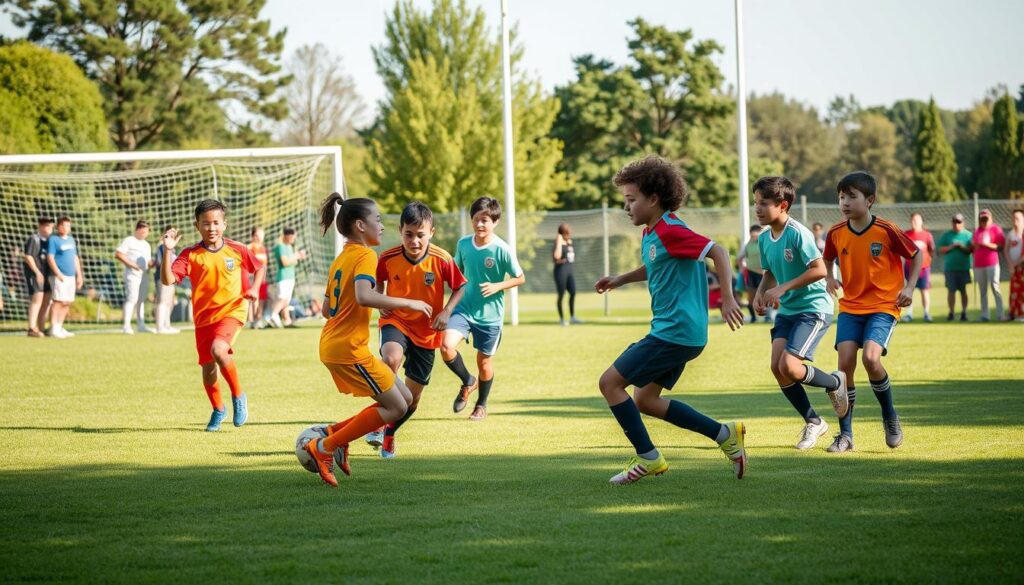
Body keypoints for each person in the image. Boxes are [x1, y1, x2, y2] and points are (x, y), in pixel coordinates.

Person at [593, 156, 747, 484]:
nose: (626, 207)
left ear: (653, 199)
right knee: (645, 400)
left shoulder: (672, 230)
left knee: (609, 384)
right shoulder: (652, 233)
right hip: (678, 333)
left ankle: (649, 458)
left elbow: (718, 251)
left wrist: (729, 298)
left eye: (631, 199)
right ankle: (724, 434)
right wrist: (620, 279)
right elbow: (657, 264)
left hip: (674, 332)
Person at [302, 193, 430, 488]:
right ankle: (323, 448)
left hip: (344, 345)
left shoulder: (343, 257)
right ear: (360, 225)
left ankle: (335, 435)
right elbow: (362, 295)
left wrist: (371, 302)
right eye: (378, 220)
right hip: (347, 349)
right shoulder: (365, 255)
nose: (382, 226)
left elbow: (326, 308)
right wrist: (404, 303)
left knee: (406, 399)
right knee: (396, 408)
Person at [823, 171, 922, 453]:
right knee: (844, 367)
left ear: (870, 200)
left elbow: (916, 255)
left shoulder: (886, 230)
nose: (844, 202)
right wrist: (830, 277)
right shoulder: (836, 233)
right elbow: (827, 257)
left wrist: (910, 287)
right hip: (851, 308)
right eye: (841, 197)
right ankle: (846, 435)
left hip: (883, 306)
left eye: (851, 196)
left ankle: (890, 416)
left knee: (870, 358)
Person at [751, 176, 848, 451]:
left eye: (763, 203)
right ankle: (814, 422)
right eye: (755, 202)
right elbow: (769, 272)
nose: (757, 209)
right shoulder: (764, 239)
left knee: (790, 367)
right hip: (790, 311)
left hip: (813, 308)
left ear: (783, 205)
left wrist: (783, 288)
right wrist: (761, 293)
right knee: (777, 368)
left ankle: (834, 382)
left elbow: (819, 269)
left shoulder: (798, 233)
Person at [364, 201, 467, 459]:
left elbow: (460, 287)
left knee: (411, 400)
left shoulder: (442, 259)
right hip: (396, 322)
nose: (414, 241)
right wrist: (380, 302)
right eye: (409, 234)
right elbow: (378, 285)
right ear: (400, 231)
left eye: (420, 235)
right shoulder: (386, 258)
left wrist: (446, 312)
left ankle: (390, 432)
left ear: (431, 232)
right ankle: (375, 425)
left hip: (428, 332)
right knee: (390, 359)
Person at [162, 200, 265, 432]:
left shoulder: (237, 249)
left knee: (219, 350)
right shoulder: (190, 254)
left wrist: (255, 288)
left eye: (216, 223)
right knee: (208, 371)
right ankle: (219, 409)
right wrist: (168, 250)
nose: (211, 228)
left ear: (224, 224)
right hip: (203, 320)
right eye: (206, 223)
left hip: (232, 311)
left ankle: (239, 396)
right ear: (197, 225)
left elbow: (259, 267)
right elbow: (168, 280)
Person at [440, 197, 526, 421]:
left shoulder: (502, 249)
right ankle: (468, 381)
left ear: (495, 222)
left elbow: (520, 277)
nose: (479, 225)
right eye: (476, 219)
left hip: (490, 317)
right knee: (446, 347)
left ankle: (481, 405)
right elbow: (455, 271)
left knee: (484, 362)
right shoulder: (463, 244)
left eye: (485, 220)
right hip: (464, 309)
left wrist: (498, 285)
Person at [115, 220, 155, 334]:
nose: (145, 234)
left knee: (141, 299)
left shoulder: (147, 245)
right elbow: (118, 254)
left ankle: (140, 324)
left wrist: (154, 263)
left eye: (147, 232)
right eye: (143, 231)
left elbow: (148, 261)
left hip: (144, 274)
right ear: (137, 229)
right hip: (132, 274)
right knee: (132, 298)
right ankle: (126, 326)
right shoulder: (129, 240)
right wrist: (132, 264)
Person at [46, 216, 83, 339]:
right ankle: (53, 328)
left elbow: (75, 258)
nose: (66, 228)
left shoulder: (72, 240)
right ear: (59, 226)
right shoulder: (53, 239)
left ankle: (60, 326)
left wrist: (79, 275)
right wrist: (58, 273)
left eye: (68, 225)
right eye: (64, 225)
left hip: (71, 276)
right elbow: (50, 258)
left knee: (67, 302)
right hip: (59, 276)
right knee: (58, 301)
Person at [268, 227, 307, 328]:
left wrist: (298, 257)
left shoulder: (289, 247)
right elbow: (285, 262)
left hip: (290, 277)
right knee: (282, 299)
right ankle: (273, 315)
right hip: (283, 277)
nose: (294, 238)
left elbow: (292, 262)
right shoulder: (280, 247)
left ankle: (287, 321)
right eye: (293, 236)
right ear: (288, 236)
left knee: (286, 300)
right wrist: (296, 256)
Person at [22, 217, 54, 337]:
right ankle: (31, 328)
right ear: (40, 226)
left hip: (48, 275)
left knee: (46, 302)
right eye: (46, 226)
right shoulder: (33, 239)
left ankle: (41, 328)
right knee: (37, 299)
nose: (48, 228)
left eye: (50, 226)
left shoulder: (51, 240)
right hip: (36, 274)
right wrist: (37, 272)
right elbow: (28, 257)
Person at [937, 213, 973, 321]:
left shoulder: (968, 235)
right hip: (950, 268)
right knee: (951, 291)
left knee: (963, 291)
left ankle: (964, 312)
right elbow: (940, 250)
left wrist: (961, 246)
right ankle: (951, 312)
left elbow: (971, 250)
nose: (956, 224)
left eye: (959, 222)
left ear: (963, 223)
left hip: (964, 268)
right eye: (954, 222)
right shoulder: (947, 235)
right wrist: (951, 247)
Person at [902, 213, 936, 322]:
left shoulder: (927, 235)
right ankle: (909, 314)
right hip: (909, 268)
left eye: (916, 220)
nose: (914, 222)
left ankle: (926, 313)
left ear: (921, 221)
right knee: (909, 291)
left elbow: (931, 250)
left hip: (924, 268)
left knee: (924, 290)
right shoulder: (906, 234)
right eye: (912, 220)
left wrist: (927, 261)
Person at [972, 209, 1005, 322]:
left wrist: (987, 245)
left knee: (995, 288)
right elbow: (974, 246)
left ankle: (1000, 314)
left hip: (992, 263)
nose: (984, 222)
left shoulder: (996, 229)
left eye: (986, 219)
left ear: (991, 219)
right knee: (983, 291)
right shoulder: (977, 231)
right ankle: (985, 315)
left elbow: (1000, 246)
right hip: (979, 264)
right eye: (982, 219)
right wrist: (976, 246)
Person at [736, 224, 766, 323]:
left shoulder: (764, 243)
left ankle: (768, 316)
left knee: (765, 295)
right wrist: (742, 267)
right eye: (753, 234)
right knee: (751, 296)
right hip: (751, 273)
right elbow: (739, 258)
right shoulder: (748, 245)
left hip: (763, 274)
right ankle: (753, 317)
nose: (755, 236)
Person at [153, 224, 180, 334]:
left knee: (169, 302)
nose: (171, 233)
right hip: (162, 277)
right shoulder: (161, 247)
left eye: (173, 231)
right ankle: (160, 327)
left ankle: (167, 325)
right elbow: (159, 262)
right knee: (162, 302)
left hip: (171, 278)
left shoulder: (173, 248)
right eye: (169, 231)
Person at [553, 222, 581, 325]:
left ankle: (572, 317)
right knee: (561, 294)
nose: (569, 234)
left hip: (569, 270)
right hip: (560, 271)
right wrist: (559, 241)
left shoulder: (569, 242)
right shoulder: (558, 242)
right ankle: (561, 319)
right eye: (567, 233)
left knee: (573, 292)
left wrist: (567, 241)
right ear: (563, 233)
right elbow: (557, 256)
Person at [247, 226, 270, 328]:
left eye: (262, 235)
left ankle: (258, 319)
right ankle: (250, 320)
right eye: (258, 235)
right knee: (252, 299)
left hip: (263, 279)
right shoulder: (250, 247)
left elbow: (264, 265)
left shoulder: (263, 248)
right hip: (253, 277)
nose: (260, 237)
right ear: (254, 235)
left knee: (261, 300)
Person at [1005, 209, 1024, 322]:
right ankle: (1013, 313)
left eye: (1017, 218)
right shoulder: (1011, 234)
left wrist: (1017, 263)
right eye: (1013, 218)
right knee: (1014, 292)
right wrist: (1010, 264)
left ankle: (1022, 314)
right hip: (1014, 268)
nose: (1015, 221)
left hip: (1022, 267)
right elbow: (1006, 250)